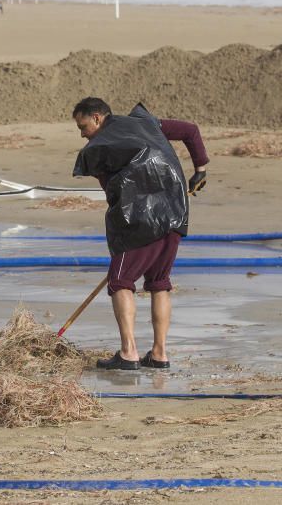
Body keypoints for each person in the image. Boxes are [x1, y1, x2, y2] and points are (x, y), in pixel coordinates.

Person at [71, 98, 208, 370]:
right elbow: (190, 130)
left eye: (83, 126)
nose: (82, 133)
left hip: (140, 222)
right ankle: (159, 354)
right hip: (176, 211)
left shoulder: (98, 147)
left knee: (120, 280)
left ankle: (128, 352)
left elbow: (112, 190)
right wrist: (200, 169)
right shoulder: (146, 123)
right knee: (159, 281)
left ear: (97, 118)